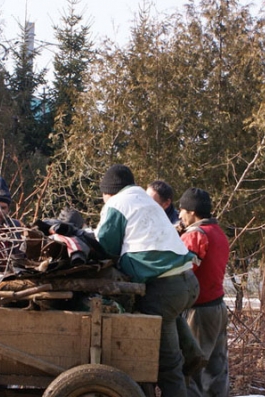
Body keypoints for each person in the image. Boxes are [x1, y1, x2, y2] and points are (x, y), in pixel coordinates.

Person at [95, 164, 199, 396]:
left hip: (165, 288)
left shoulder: (117, 204)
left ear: (107, 192)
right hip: (187, 281)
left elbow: (105, 246)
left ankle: (188, 367)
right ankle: (194, 356)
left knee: (168, 365)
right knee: (171, 329)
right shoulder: (146, 200)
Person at [178, 187, 230, 397]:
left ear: (191, 212)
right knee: (216, 369)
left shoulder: (195, 235)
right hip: (218, 307)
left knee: (192, 370)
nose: (180, 215)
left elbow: (183, 271)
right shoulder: (218, 233)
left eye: (181, 210)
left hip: (199, 312)